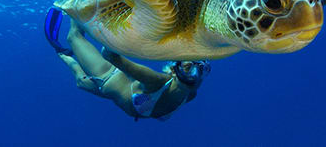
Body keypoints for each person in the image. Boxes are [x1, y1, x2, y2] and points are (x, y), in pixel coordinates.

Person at [45, 8, 211, 121]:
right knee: (74, 37)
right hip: (107, 76)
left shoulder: (190, 95)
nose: (195, 74)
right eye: (188, 68)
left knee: (80, 82)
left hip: (115, 92)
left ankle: (62, 52)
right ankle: (77, 1)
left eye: (203, 69)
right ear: (175, 70)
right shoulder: (155, 80)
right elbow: (108, 54)